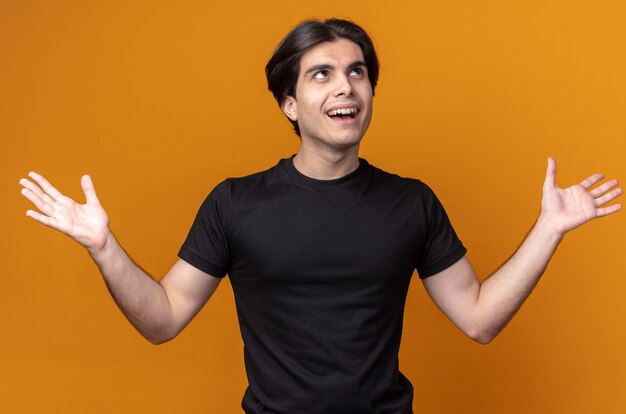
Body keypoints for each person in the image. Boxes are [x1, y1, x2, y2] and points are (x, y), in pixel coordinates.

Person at [20, 18, 622, 414]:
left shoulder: (411, 202)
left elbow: (480, 319)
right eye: (322, 74)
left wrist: (548, 230)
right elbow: (163, 319)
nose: (347, 87)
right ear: (290, 103)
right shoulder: (235, 202)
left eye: (358, 71)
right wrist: (104, 247)